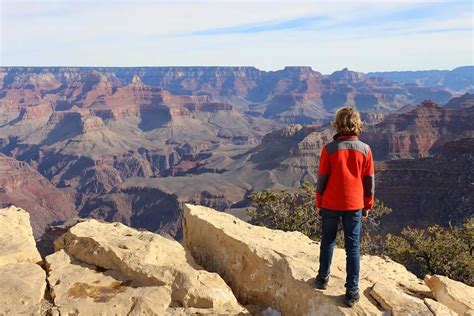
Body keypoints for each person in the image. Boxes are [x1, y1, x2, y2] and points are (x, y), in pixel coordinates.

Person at [314, 107, 374, 307]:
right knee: (353, 248)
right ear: (357, 124)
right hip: (354, 205)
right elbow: (369, 181)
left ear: (337, 124)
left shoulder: (329, 149)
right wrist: (368, 204)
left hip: (331, 203)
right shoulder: (365, 149)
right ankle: (352, 291)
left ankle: (322, 278)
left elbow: (322, 179)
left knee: (328, 241)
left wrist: (319, 202)